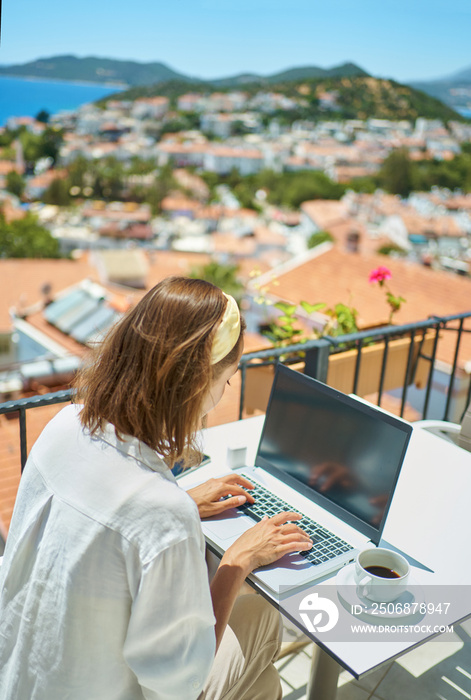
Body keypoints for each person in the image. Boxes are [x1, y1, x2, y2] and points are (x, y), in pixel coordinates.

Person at [0, 276, 312, 700]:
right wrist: (238, 562)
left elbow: (106, 515)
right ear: (200, 385)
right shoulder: (162, 513)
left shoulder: (64, 426)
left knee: (264, 685)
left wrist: (180, 504)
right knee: (258, 613)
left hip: (22, 679)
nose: (224, 394)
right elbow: (181, 682)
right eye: (227, 380)